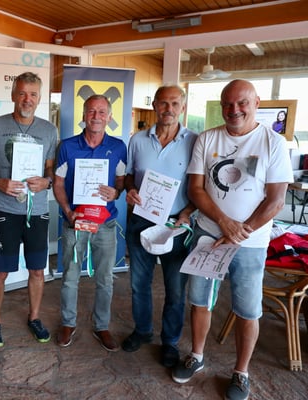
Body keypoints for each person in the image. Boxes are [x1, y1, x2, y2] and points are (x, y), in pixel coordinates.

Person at [172, 80, 293, 400]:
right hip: (208, 235)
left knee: (247, 308)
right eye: (227, 104)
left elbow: (276, 199)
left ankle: (241, 373)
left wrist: (241, 230)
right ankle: (196, 355)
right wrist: (224, 223)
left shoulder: (274, 142)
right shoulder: (208, 138)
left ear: (256, 103)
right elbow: (196, 189)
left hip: (250, 243)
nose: (234, 110)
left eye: (242, 103)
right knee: (199, 300)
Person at [0, 72, 58, 347]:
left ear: (39, 98)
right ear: (13, 95)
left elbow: (50, 168)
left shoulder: (49, 130)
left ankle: (34, 317)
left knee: (37, 270)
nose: (27, 99)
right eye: (22, 93)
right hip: (5, 210)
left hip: (37, 211)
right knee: (1, 272)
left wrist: (47, 182)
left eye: (33, 94)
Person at [122, 85, 197, 368]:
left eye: (175, 104)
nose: (169, 109)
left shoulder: (195, 141)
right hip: (141, 220)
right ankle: (142, 330)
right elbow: (129, 176)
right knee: (139, 283)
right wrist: (130, 190)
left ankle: (170, 342)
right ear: (154, 105)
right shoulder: (137, 140)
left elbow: (200, 186)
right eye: (163, 103)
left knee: (175, 288)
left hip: (177, 223)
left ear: (183, 107)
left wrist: (187, 213)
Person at [53, 94, 127, 351]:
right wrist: (67, 211)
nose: (96, 116)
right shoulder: (67, 146)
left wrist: (116, 192)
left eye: (102, 111)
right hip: (75, 222)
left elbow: (121, 180)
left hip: (105, 223)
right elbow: (58, 183)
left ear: (109, 117)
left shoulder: (118, 147)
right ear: (84, 115)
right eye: (92, 111)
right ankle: (68, 323)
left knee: (105, 278)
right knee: (70, 276)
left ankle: (101, 325)